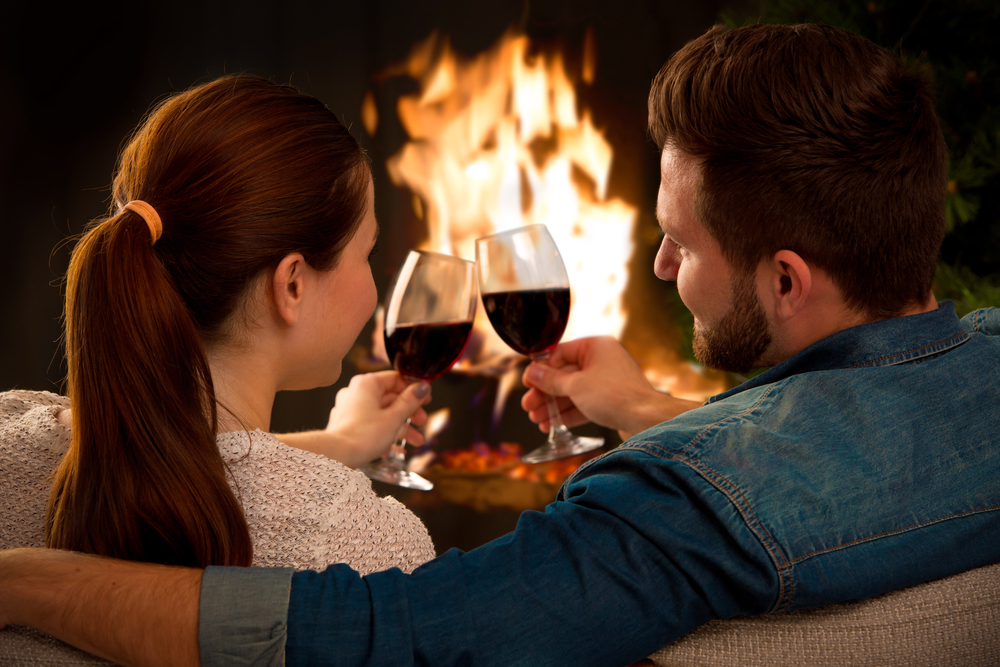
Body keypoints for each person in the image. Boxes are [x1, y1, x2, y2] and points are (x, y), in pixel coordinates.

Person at [2, 22, 1000, 667]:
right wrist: (649, 408)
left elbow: (384, 638)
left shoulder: (669, 516)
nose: (656, 267)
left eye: (682, 245)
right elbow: (838, 448)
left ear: (785, 279)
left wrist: (24, 575)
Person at [1, 75, 437, 575]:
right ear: (292, 284)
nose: (372, 288)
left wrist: (343, 442)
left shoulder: (8, 437)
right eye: (369, 253)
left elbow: (160, 457)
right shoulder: (356, 543)